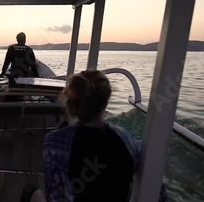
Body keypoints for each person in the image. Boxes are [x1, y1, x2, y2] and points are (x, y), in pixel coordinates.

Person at [39, 70, 167, 202]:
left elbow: (54, 195)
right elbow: (157, 187)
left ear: (71, 101)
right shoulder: (125, 138)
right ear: (105, 103)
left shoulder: (54, 142)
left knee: (33, 193)